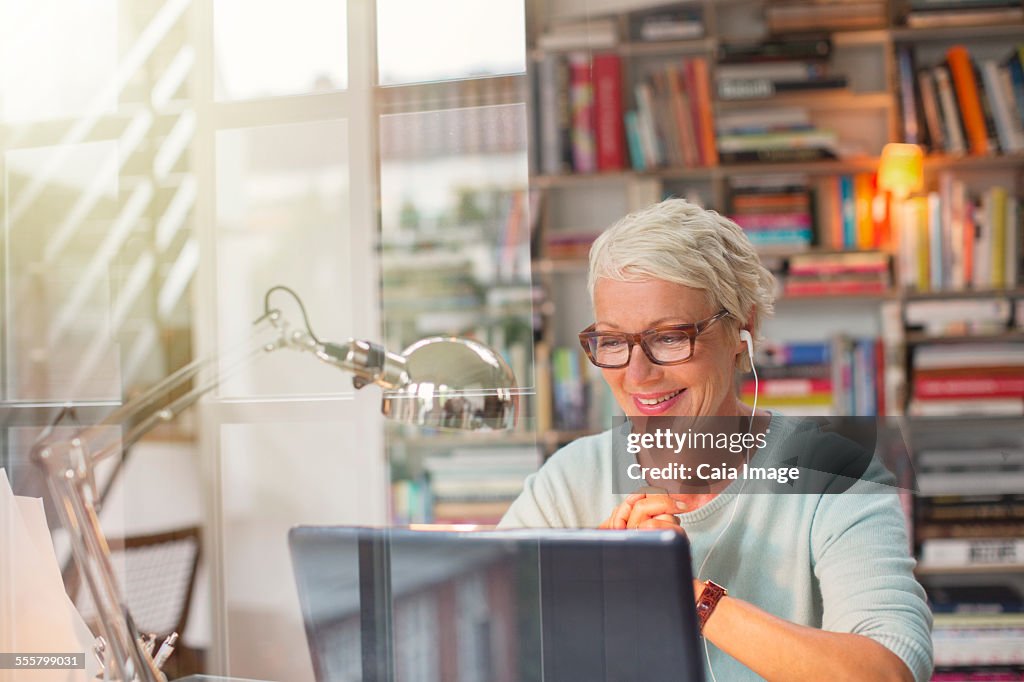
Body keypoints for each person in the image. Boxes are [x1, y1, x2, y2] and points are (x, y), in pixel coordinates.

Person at [499, 199, 933, 682]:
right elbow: (486, 644)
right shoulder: (571, 478)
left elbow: (887, 673)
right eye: (614, 342)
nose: (637, 375)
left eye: (669, 338)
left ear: (741, 334)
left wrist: (686, 593)